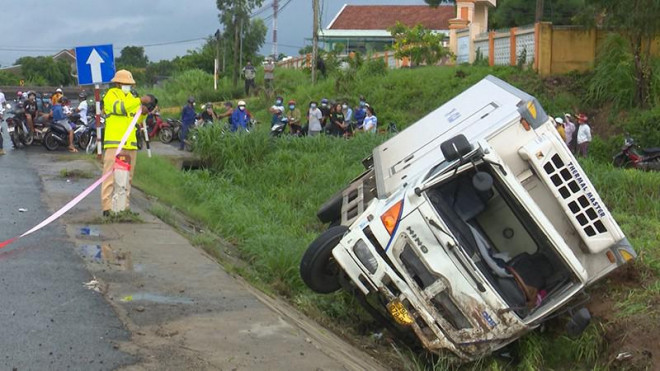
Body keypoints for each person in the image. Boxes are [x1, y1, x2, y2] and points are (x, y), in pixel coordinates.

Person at [101, 69, 154, 217]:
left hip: (130, 144)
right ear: (117, 83)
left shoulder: (131, 98)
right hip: (114, 144)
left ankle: (124, 208)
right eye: (125, 83)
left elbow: (135, 121)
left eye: (129, 84)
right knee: (109, 177)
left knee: (127, 178)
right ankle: (107, 208)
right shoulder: (111, 96)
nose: (127, 86)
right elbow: (120, 107)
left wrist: (144, 112)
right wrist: (140, 101)